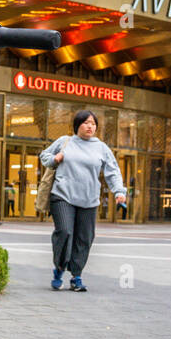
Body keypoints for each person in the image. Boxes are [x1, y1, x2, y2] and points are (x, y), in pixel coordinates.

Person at [41, 109, 127, 291]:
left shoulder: (101, 147)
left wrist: (119, 191)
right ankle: (59, 268)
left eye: (93, 124)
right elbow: (44, 156)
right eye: (86, 122)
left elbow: (113, 172)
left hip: (89, 199)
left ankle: (76, 276)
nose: (90, 126)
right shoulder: (65, 142)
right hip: (63, 195)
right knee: (64, 231)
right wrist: (55, 159)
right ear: (77, 125)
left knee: (84, 238)